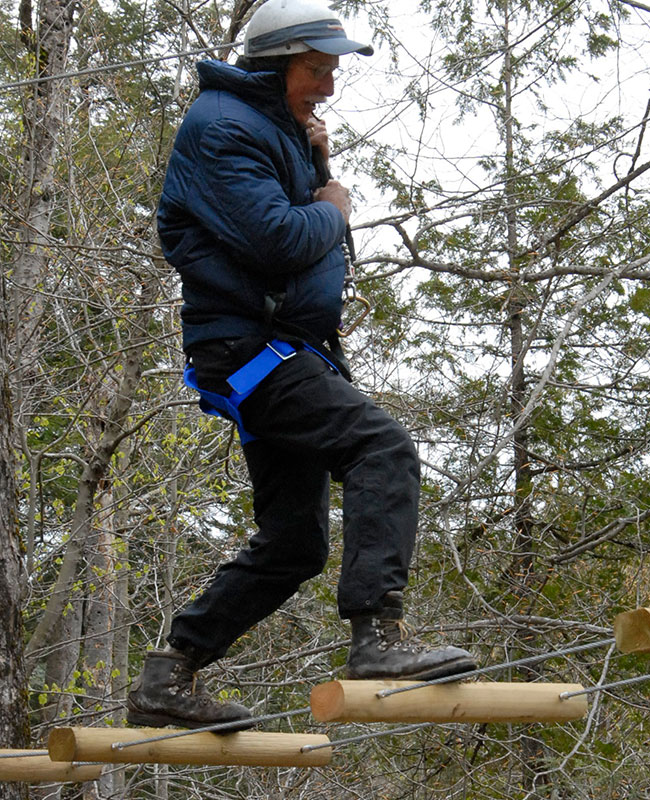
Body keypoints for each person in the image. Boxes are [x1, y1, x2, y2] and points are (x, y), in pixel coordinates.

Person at [126, 0, 476, 730]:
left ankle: (171, 673)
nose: (329, 85)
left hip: (277, 350)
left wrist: (313, 158)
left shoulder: (269, 129)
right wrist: (336, 204)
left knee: (295, 543)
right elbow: (284, 240)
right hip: (253, 351)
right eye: (317, 70)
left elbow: (291, 223)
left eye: (332, 71)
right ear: (276, 63)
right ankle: (378, 638)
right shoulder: (222, 127)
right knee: (381, 447)